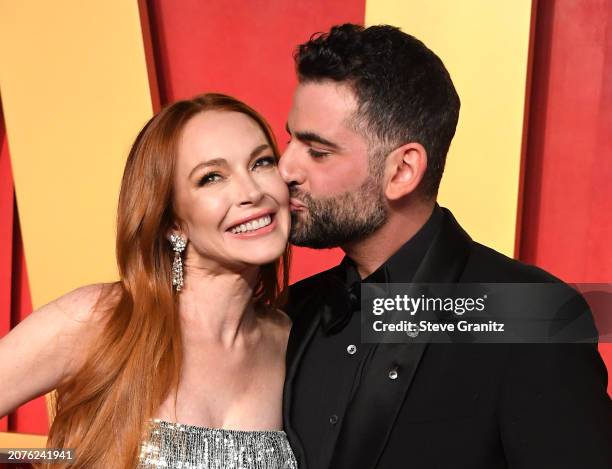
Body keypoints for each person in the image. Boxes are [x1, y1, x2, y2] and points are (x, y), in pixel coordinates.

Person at [279, 24, 611, 469]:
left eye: (317, 151)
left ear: (403, 171)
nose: (285, 168)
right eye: (290, 140)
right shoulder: (294, 312)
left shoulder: (534, 317)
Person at [0, 93, 298, 469]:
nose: (252, 192)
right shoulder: (100, 320)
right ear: (172, 221)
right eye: (211, 178)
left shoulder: (293, 344)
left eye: (261, 162)